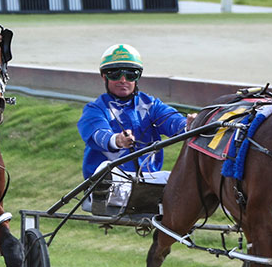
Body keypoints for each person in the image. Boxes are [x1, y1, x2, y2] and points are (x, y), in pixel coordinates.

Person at [77, 43, 192, 185]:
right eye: (115, 74)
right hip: (108, 180)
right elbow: (99, 134)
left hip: (147, 178)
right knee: (105, 169)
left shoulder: (151, 105)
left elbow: (173, 121)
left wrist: (189, 125)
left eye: (130, 75)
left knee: (181, 182)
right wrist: (118, 140)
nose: (123, 80)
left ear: (137, 77)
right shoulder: (94, 110)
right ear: (104, 77)